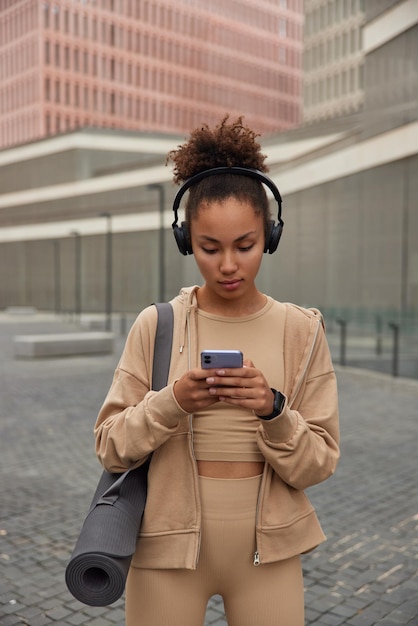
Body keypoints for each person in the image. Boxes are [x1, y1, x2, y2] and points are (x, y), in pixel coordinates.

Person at [94, 116, 340, 626]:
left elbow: (318, 463)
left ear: (271, 235)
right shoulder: (156, 325)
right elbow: (111, 445)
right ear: (186, 241)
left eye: (245, 245)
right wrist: (173, 401)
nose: (228, 264)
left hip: (267, 555)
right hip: (165, 551)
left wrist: (273, 411)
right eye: (210, 248)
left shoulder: (302, 331)